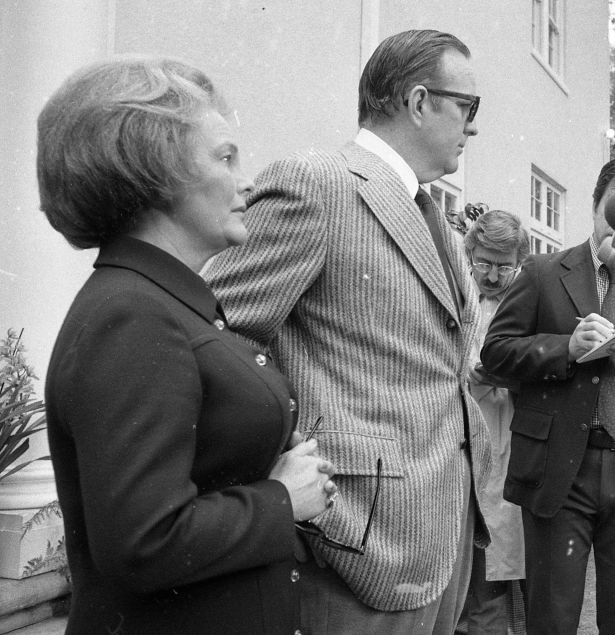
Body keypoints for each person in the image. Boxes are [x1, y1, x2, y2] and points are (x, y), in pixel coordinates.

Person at [204, 29, 490, 634]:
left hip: (440, 533)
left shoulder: (430, 210)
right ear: (417, 101)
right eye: (467, 107)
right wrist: (286, 469)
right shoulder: (320, 185)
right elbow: (215, 336)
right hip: (353, 539)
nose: (473, 126)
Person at [38, 57, 335, 634]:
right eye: (225, 157)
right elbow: (143, 542)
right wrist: (280, 499)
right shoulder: (132, 314)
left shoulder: (159, 300)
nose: (246, 181)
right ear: (154, 171)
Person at [480, 155, 615, 634]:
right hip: (561, 469)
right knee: (552, 619)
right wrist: (565, 347)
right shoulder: (545, 272)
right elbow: (497, 352)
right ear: (593, 207)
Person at [460, 209, 530, 634]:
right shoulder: (461, 295)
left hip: (507, 441)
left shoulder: (528, 300)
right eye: (483, 263)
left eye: (503, 267)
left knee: (497, 576)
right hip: (460, 438)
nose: (491, 275)